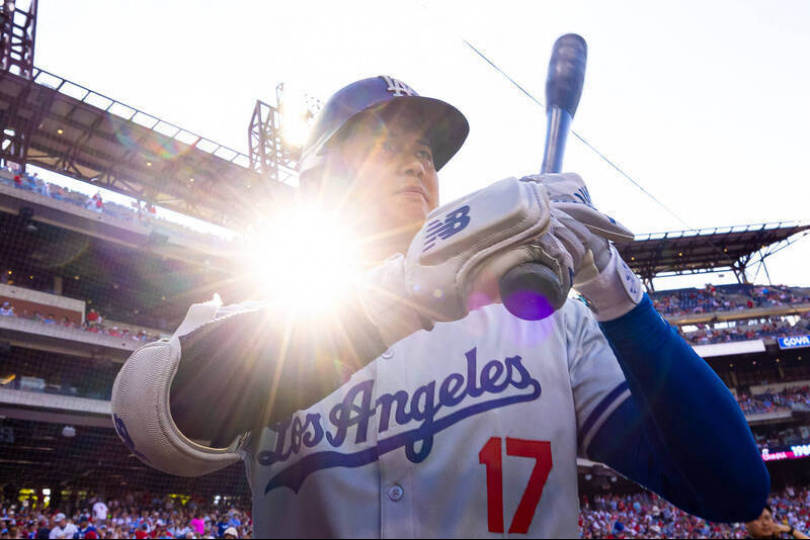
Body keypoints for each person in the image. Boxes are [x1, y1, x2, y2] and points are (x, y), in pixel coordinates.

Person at [113, 75, 769, 537]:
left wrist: (610, 287)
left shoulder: (543, 321)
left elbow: (731, 488)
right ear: (318, 183)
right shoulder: (258, 321)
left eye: (425, 152)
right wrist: (408, 291)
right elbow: (147, 415)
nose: (416, 165)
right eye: (384, 147)